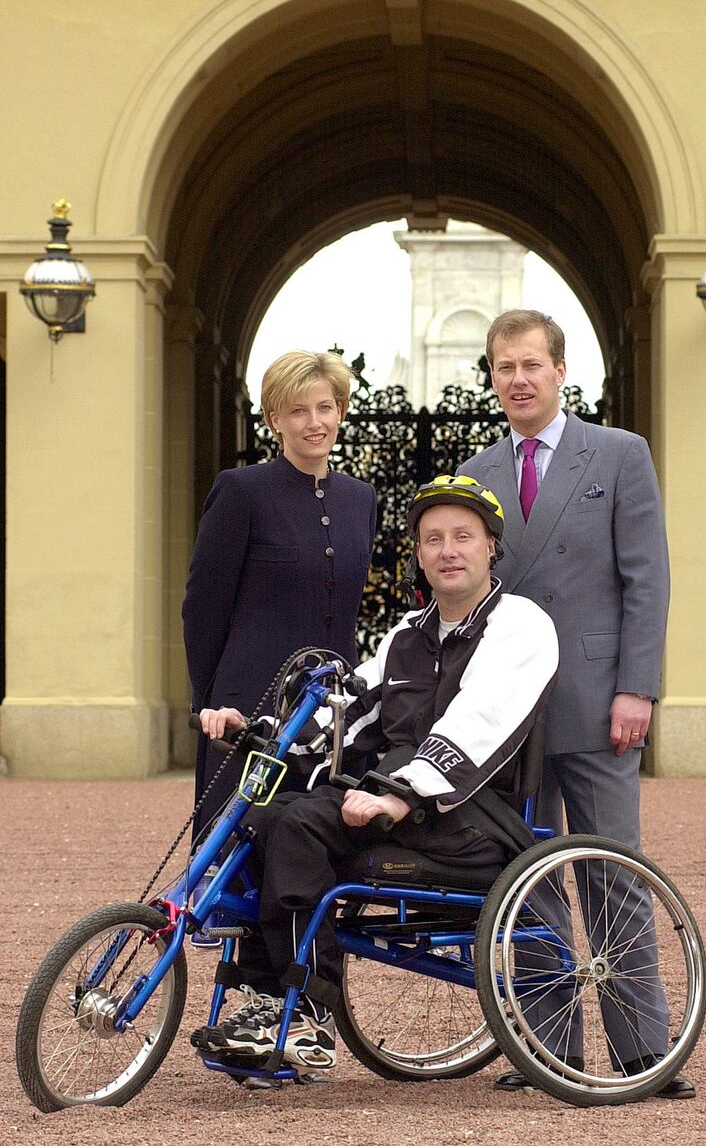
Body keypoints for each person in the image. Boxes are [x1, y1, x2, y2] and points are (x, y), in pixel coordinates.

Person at [190, 475, 559, 1073]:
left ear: (491, 546)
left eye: (463, 537)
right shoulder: (405, 636)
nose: (448, 550)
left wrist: (400, 794)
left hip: (470, 823)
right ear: (418, 554)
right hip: (387, 810)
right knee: (262, 819)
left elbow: (479, 721)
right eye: (433, 539)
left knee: (300, 828)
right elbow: (346, 713)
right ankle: (264, 1004)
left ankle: (307, 1013)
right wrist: (258, 730)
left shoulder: (521, 624)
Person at [458, 309, 693, 1099]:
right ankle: (546, 1049)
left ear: (562, 371)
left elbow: (646, 579)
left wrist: (638, 685)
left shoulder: (620, 455)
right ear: (490, 376)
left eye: (530, 364)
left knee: (609, 868)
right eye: (503, 367)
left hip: (598, 700)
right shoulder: (478, 469)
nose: (517, 379)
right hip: (508, 711)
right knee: (522, 872)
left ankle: (642, 1053)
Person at [183, 349, 377, 836]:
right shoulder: (241, 491)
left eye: (325, 407)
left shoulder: (361, 498)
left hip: (331, 710)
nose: (315, 422)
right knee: (236, 854)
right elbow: (203, 608)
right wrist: (205, 702)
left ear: (341, 411)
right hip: (248, 706)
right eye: (298, 410)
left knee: (317, 848)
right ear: (274, 419)